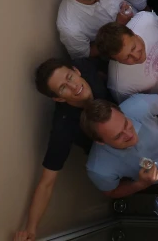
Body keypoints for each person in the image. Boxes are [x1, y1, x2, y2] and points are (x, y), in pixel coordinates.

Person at [14, 58, 113, 241]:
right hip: (112, 153)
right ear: (58, 98)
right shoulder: (64, 125)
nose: (74, 87)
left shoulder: (88, 68)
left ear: (76, 70)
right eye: (63, 88)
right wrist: (31, 229)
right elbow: (47, 182)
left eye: (70, 77)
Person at [81, 97, 158, 198]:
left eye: (125, 123)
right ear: (100, 141)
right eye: (118, 136)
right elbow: (111, 191)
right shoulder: (98, 169)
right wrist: (141, 184)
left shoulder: (138, 105)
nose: (129, 135)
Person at [94, 15, 158, 103]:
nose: (136, 56)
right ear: (116, 60)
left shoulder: (147, 20)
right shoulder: (120, 87)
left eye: (133, 47)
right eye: (127, 57)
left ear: (133, 33)